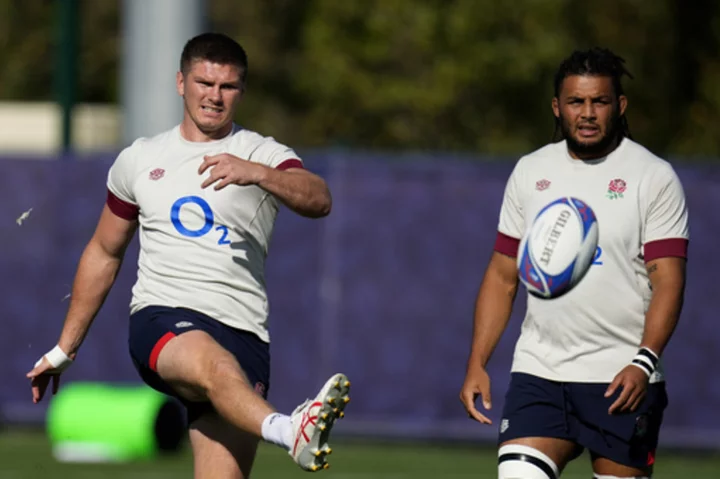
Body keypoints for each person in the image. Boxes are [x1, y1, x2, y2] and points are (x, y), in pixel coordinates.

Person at [27, 32, 350, 478]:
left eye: (228, 87)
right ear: (181, 82)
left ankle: (285, 426)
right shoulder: (140, 159)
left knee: (224, 386)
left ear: (241, 91)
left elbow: (320, 199)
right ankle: (289, 430)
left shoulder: (261, 152)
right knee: (215, 365)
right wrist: (64, 349)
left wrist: (257, 174)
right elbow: (104, 251)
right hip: (163, 319)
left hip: (243, 332)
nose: (214, 97)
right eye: (204, 83)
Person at [459, 47, 689, 479]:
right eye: (576, 102)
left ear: (619, 106)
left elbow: (669, 283)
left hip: (621, 381)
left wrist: (644, 362)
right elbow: (502, 275)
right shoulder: (531, 171)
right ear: (557, 107)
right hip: (539, 374)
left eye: (599, 102)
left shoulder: (653, 177)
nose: (587, 113)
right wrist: (477, 362)